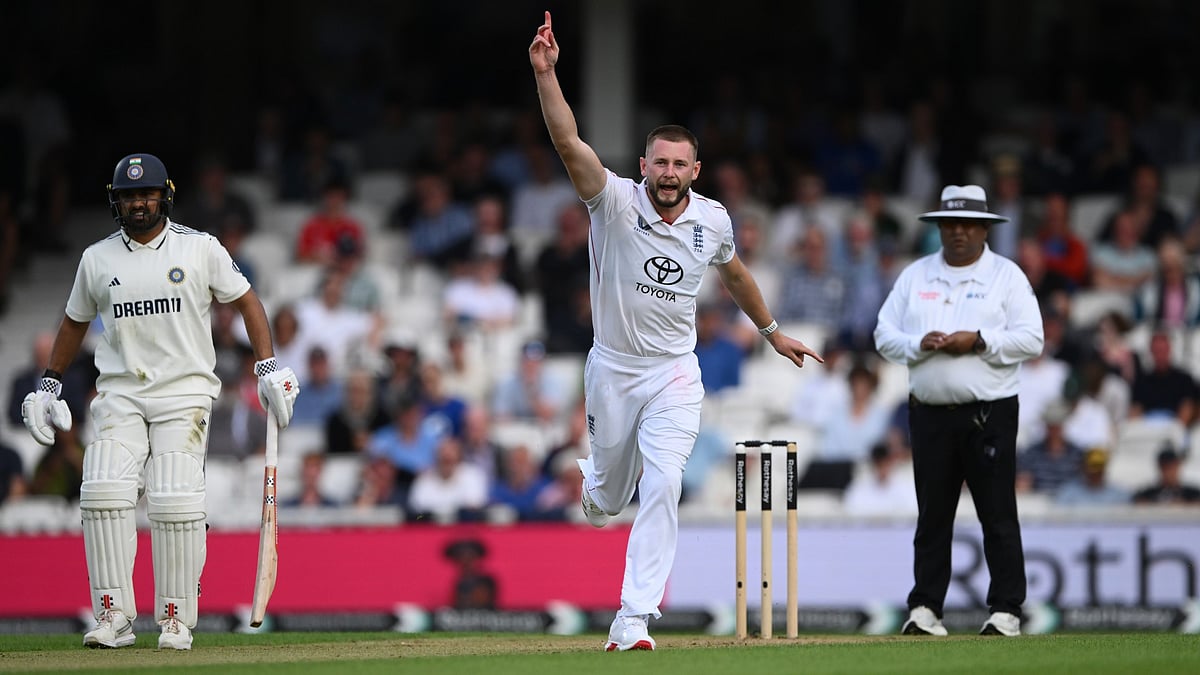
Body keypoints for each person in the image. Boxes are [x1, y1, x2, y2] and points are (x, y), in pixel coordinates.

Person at [529, 12, 822, 652]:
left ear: (695, 170)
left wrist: (773, 332)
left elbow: (736, 275)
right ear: (643, 165)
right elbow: (569, 144)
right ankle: (597, 485)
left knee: (663, 482)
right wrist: (547, 74)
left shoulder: (713, 221)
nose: (667, 172)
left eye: (679, 164)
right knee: (609, 501)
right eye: (659, 162)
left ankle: (633, 617)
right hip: (612, 369)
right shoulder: (612, 201)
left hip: (674, 373)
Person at [18, 153, 300, 651]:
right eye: (129, 196)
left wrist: (267, 365)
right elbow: (74, 322)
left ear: (164, 196)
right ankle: (113, 616)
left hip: (183, 392)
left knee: (174, 497)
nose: (138, 203)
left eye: (146, 194)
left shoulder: (200, 248)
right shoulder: (97, 259)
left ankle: (175, 618)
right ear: (116, 201)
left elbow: (247, 302)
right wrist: (49, 383)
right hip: (120, 392)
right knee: (103, 490)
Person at [874, 184, 1044, 638]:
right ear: (939, 228)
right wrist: (919, 344)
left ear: (985, 229)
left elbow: (1032, 339)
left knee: (997, 513)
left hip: (988, 413)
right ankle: (925, 608)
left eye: (969, 224)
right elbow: (883, 335)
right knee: (933, 515)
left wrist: (980, 341)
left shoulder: (1006, 276)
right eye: (950, 223)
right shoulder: (916, 275)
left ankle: (1006, 610)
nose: (959, 232)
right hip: (929, 413)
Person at [1132, 446, 1200, 505]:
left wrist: (1184, 505)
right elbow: (1137, 502)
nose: (1168, 472)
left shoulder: (1193, 494)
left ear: (1178, 466)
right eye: (1165, 467)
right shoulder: (1147, 494)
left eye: (1171, 467)